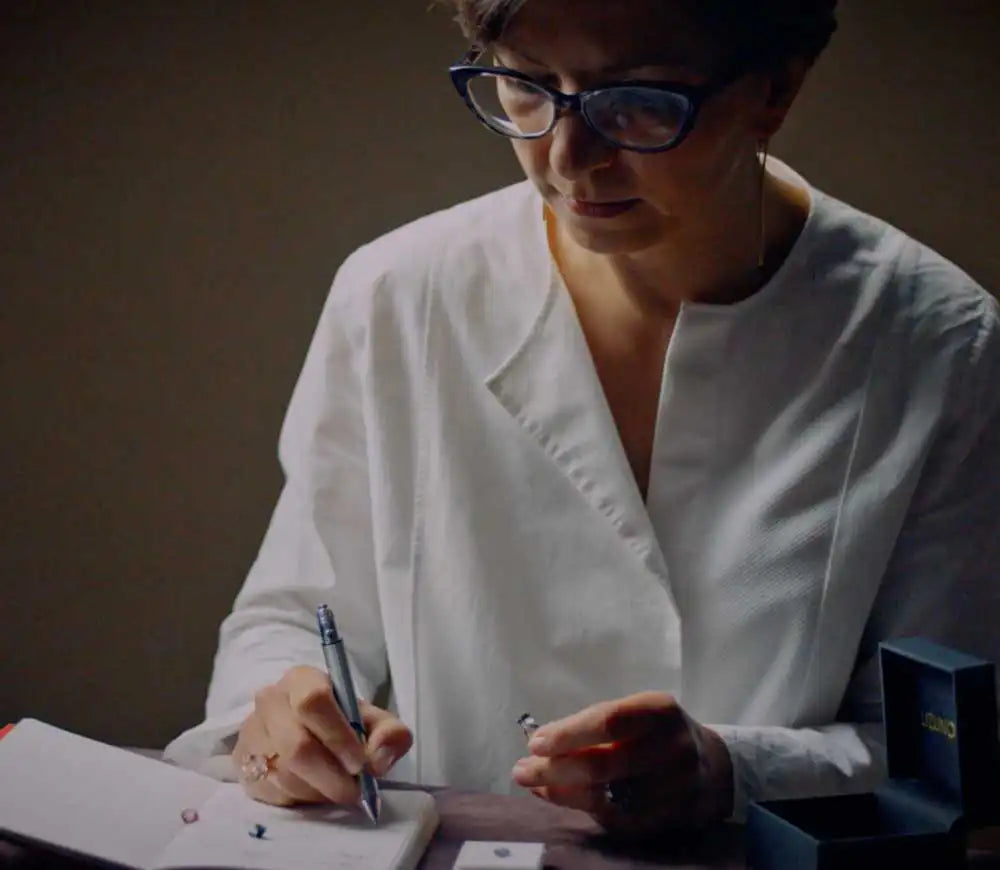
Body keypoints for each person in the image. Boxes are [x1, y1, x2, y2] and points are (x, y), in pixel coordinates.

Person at [164, 0, 1000, 836]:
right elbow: (295, 614)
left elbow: (943, 741)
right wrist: (275, 722)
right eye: (526, 88)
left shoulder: (937, 342)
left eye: (637, 99)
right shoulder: (398, 293)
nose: (568, 158)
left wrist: (732, 772)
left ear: (776, 89)